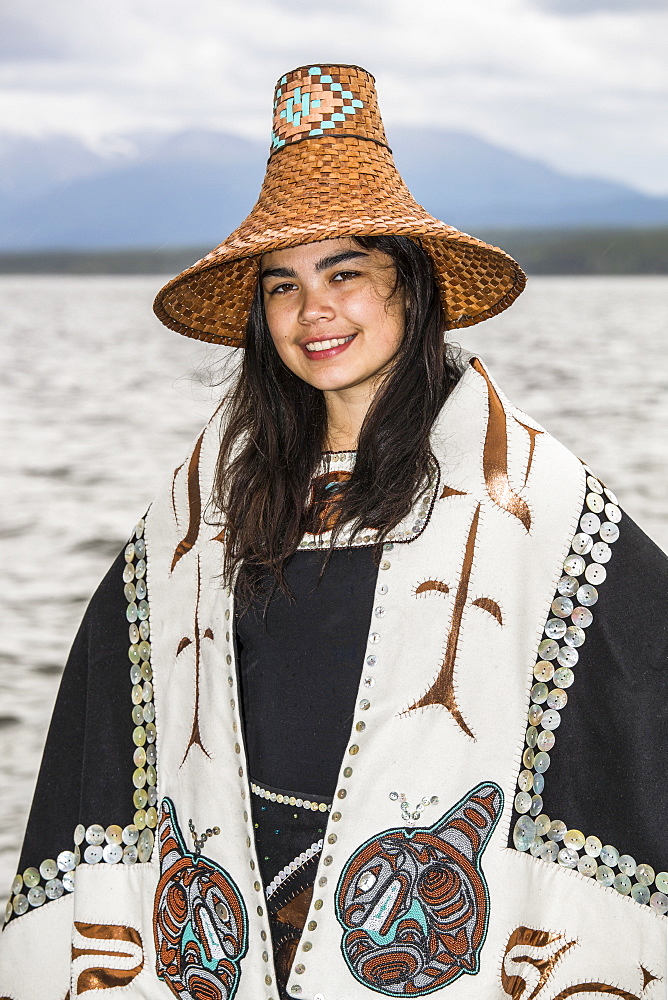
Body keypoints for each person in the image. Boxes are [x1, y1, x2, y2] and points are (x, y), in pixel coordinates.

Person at [0, 63, 666, 1000]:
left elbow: (643, 697)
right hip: (234, 950)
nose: (314, 312)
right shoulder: (198, 518)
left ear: (413, 289)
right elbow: (101, 742)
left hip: (433, 947)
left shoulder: (526, 499)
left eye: (345, 273)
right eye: (283, 286)